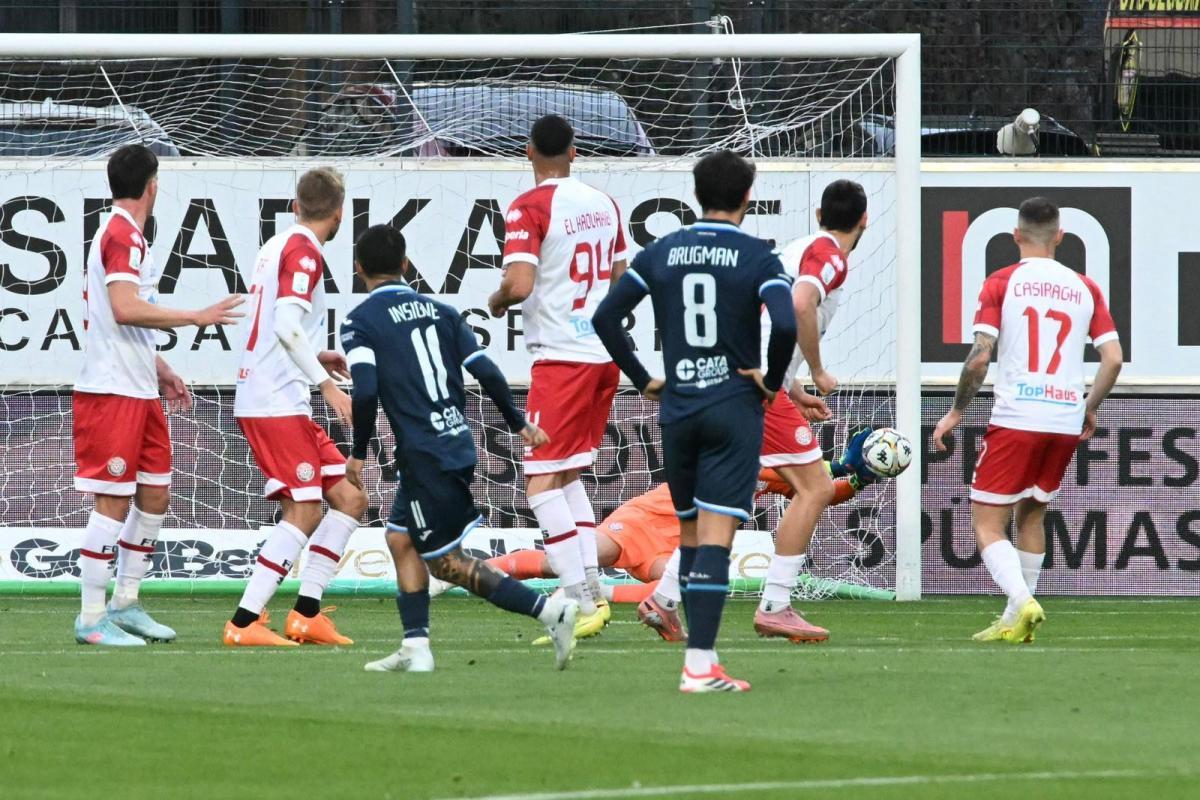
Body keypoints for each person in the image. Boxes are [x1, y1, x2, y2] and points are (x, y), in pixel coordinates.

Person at [593, 149, 797, 693]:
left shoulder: (661, 251)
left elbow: (606, 316)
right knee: (715, 541)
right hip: (733, 408)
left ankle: (692, 649)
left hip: (679, 408)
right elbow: (784, 323)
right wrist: (772, 381)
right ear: (747, 198)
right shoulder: (758, 256)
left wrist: (642, 378)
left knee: (689, 535)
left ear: (696, 195)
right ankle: (701, 665)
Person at [342, 224, 579, 673]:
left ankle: (551, 612)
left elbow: (366, 389)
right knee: (400, 539)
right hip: (452, 442)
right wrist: (518, 422)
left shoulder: (360, 322)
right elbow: (485, 369)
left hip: (425, 454)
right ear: (405, 265)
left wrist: (358, 451)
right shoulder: (443, 312)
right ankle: (415, 647)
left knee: (446, 564)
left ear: (358, 269)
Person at [72, 143, 243, 646]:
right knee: (112, 500)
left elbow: (120, 319)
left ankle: (125, 602)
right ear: (153, 186)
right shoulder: (122, 234)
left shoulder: (126, 235)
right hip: (111, 391)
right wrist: (195, 316)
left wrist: (161, 368)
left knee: (155, 492)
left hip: (139, 387)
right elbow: (124, 308)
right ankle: (90, 618)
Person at [933, 197, 1122, 644]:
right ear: (1060, 237)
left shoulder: (1002, 281)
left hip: (1018, 416)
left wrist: (957, 411)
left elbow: (980, 358)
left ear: (1016, 236)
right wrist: (1088, 406)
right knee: (1032, 514)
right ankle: (1012, 620)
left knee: (986, 523)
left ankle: (1022, 601)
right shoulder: (1086, 287)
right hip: (1064, 418)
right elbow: (1113, 359)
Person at [488, 114, 628, 638]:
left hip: (563, 359)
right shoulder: (604, 203)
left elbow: (520, 284)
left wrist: (497, 300)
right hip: (604, 355)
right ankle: (590, 589)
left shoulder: (529, 206)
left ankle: (581, 599)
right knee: (567, 477)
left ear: (528, 152)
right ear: (574, 152)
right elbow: (621, 279)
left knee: (541, 482)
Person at [466, 464, 867, 645]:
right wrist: (840, 466)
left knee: (683, 583)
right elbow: (804, 473)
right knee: (563, 560)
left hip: (678, 545)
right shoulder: (750, 449)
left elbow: (817, 493)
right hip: (646, 520)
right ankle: (470, 570)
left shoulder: (777, 468)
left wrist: (859, 478)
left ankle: (614, 599)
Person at [223, 167, 367, 647]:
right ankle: (243, 622)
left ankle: (306, 614)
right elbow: (285, 326)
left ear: (294, 205)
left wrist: (316, 356)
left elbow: (275, 327)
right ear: (340, 212)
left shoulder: (276, 245)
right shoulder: (305, 251)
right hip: (274, 401)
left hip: (277, 395)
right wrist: (328, 386)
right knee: (304, 509)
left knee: (350, 498)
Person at [753, 180, 869, 644]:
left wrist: (794, 388)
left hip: (747, 374)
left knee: (727, 493)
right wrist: (818, 370)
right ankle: (775, 605)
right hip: (758, 385)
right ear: (864, 221)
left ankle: (663, 597)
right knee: (817, 487)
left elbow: (768, 320)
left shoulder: (796, 247)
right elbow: (800, 303)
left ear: (819, 213)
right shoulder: (830, 254)